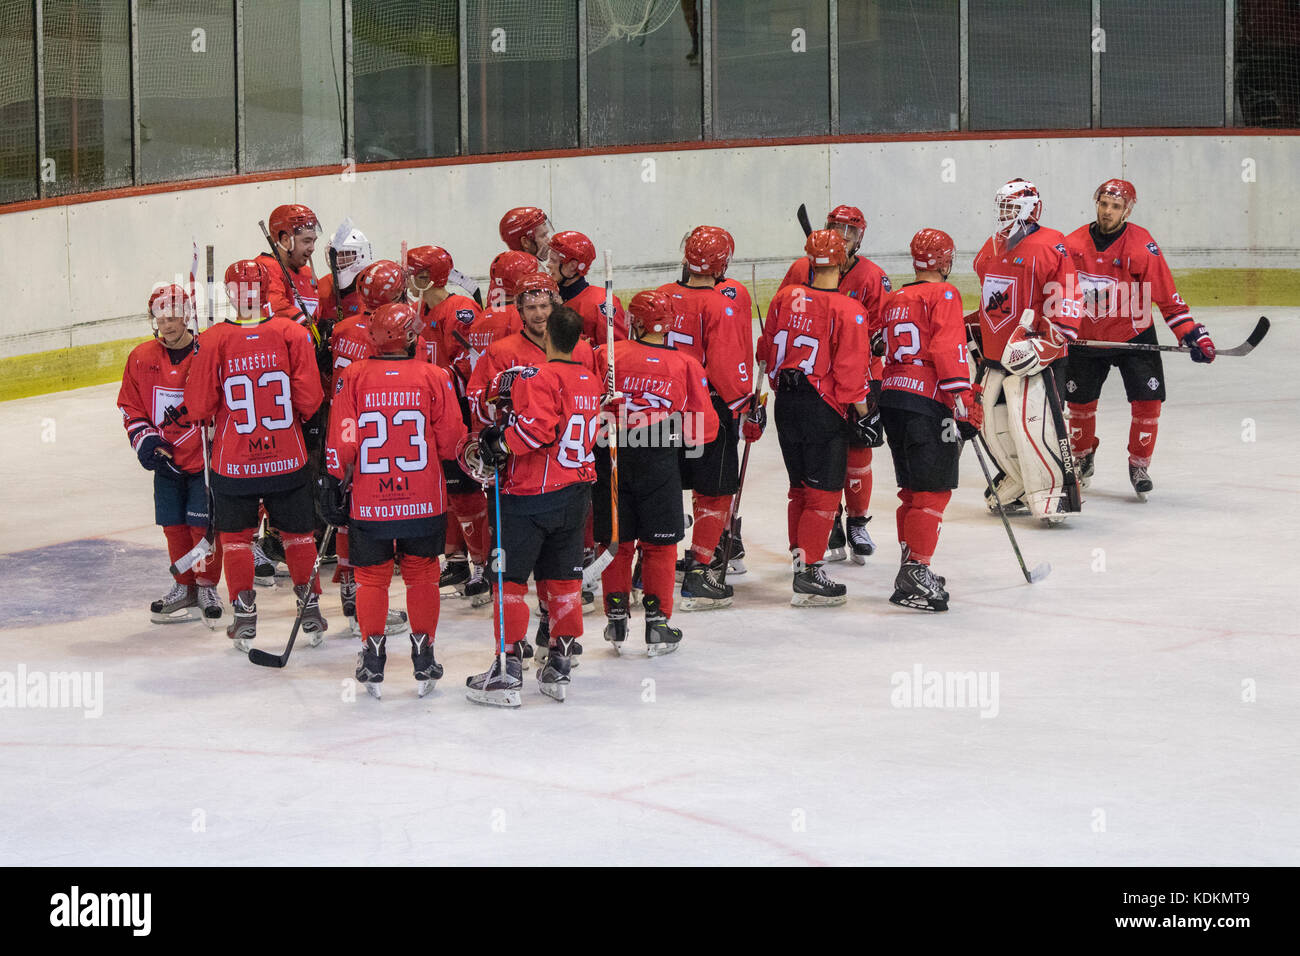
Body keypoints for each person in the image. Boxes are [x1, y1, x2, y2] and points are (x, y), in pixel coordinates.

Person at [322, 302, 467, 699]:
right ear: (406, 337)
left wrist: (334, 482)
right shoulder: (434, 376)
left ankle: (373, 656)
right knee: (422, 574)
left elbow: (343, 442)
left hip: (370, 501)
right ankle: (424, 655)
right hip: (423, 500)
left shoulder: (352, 377)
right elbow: (453, 441)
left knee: (372, 578)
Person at [182, 258, 326, 651]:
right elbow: (311, 399)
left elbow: (198, 407)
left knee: (237, 539)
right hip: (288, 457)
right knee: (298, 535)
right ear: (267, 291)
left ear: (230, 293)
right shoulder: (291, 332)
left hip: (234, 462)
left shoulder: (214, 340)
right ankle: (310, 606)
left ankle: (244, 614)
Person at [465, 306, 603, 707]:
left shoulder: (537, 374)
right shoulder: (590, 379)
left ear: (545, 337)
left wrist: (499, 441)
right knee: (563, 581)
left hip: (529, 496)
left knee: (508, 580)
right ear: (578, 340)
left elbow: (537, 430)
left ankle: (507, 671)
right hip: (575, 493)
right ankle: (559, 662)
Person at [1062, 178, 1216, 498]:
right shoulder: (1073, 243)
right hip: (1087, 339)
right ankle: (1082, 456)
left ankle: (1139, 463)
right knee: (1079, 404)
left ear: (1126, 210)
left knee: (1148, 403)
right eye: (1103, 204)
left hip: (1134, 336)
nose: (1107, 212)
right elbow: (1057, 292)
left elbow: (1167, 297)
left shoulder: (1142, 245)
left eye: (1115, 206)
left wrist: (1190, 332)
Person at [592, 290, 718, 654]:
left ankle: (616, 619)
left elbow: (582, 404)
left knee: (616, 539)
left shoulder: (605, 357)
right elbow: (703, 430)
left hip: (610, 454)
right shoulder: (686, 364)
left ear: (634, 321)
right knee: (660, 543)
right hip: (658, 460)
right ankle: (657, 623)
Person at [757, 231, 872, 606]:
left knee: (799, 490)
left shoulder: (784, 296)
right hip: (823, 409)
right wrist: (864, 413)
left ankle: (800, 559)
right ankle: (808, 575)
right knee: (823, 496)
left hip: (786, 404)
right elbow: (851, 375)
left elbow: (766, 350)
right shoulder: (849, 310)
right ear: (841, 263)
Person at [780, 204, 892, 563]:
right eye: (836, 229)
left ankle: (857, 521)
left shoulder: (873, 276)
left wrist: (872, 338)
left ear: (860, 237)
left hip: (860, 376)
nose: (843, 238)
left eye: (850, 232)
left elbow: (882, 328)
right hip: (819, 382)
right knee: (822, 459)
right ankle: (831, 521)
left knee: (857, 452)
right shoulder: (800, 269)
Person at [971, 178, 1085, 525]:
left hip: (1033, 359)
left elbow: (1067, 298)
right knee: (992, 426)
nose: (1002, 214)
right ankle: (1019, 481)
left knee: (1035, 427)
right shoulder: (991, 247)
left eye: (1009, 207)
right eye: (1000, 207)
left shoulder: (1052, 243)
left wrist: (1049, 340)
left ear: (1028, 208)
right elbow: (993, 303)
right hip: (995, 358)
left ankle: (1052, 493)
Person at [879, 229, 979, 612]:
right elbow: (946, 349)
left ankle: (910, 565)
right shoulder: (945, 294)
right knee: (933, 490)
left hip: (892, 396)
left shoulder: (896, 297)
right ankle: (916, 570)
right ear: (946, 260)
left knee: (911, 489)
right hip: (927, 398)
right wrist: (964, 402)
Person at [656, 229, 754, 610]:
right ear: (722, 264)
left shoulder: (660, 295)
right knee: (715, 488)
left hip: (661, 410)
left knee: (664, 485)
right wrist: (746, 405)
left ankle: (648, 568)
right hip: (706, 409)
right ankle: (699, 571)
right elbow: (728, 370)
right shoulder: (719, 304)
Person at [118, 284, 223, 627]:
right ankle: (185, 586)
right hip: (166, 459)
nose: (167, 324)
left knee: (201, 527)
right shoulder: (141, 358)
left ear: (188, 315)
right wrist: (148, 444)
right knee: (173, 526)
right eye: (160, 317)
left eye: (174, 316)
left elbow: (228, 399)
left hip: (204, 459)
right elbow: (130, 407)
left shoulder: (208, 352)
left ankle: (207, 586)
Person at [327, 259, 421, 636]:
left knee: (351, 513)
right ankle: (371, 596)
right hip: (393, 437)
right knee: (390, 517)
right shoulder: (401, 329)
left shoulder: (343, 329)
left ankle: (353, 592)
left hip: (347, 428)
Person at [546, 229, 627, 344]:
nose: (548, 265)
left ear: (572, 266)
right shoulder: (547, 299)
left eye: (553, 261)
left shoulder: (601, 301)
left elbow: (617, 351)